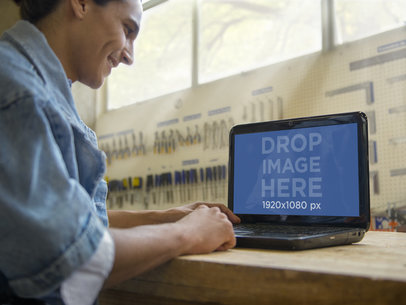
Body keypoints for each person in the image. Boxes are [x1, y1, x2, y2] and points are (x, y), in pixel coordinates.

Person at [0, 0, 240, 304]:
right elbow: (74, 259)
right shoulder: (16, 90)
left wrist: (166, 217)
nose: (129, 55)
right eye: (127, 29)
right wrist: (187, 234)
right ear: (81, 4)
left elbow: (71, 220)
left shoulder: (38, 90)